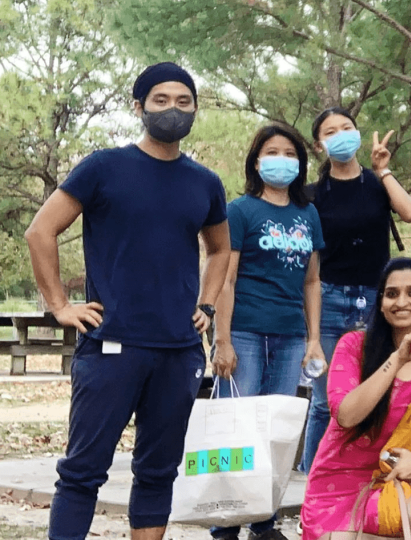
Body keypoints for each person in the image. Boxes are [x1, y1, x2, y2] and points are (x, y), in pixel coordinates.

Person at [23, 62, 229, 540]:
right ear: (138, 106)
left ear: (195, 108)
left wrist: (209, 303)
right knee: (82, 472)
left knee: (158, 472)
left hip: (179, 351)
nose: (172, 110)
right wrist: (61, 306)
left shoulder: (205, 182)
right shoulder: (103, 168)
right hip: (112, 345)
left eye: (183, 101)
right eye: (160, 100)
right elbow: (40, 231)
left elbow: (220, 249)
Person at [208, 123, 325, 539]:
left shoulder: (307, 213)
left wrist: (313, 338)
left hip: (291, 336)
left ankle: (263, 520)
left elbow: (312, 281)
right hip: (245, 333)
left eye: (290, 153)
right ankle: (224, 522)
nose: (282, 160)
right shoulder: (240, 211)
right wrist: (221, 339)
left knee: (275, 431)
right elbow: (226, 279)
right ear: (257, 161)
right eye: (272, 152)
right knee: (237, 426)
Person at [300, 258, 411, 540]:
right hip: (338, 487)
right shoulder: (353, 346)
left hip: (402, 485)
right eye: (392, 293)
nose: (402, 302)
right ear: (381, 302)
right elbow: (346, 415)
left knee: (405, 519)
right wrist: (397, 360)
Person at [299, 107, 411, 473]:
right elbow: (309, 266)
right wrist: (313, 333)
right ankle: (314, 487)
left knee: (378, 392)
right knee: (325, 402)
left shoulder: (377, 184)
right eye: (330, 131)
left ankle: (363, 476)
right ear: (320, 145)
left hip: (379, 301)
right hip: (329, 299)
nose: (340, 135)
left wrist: (384, 169)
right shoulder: (311, 195)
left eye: (347, 128)